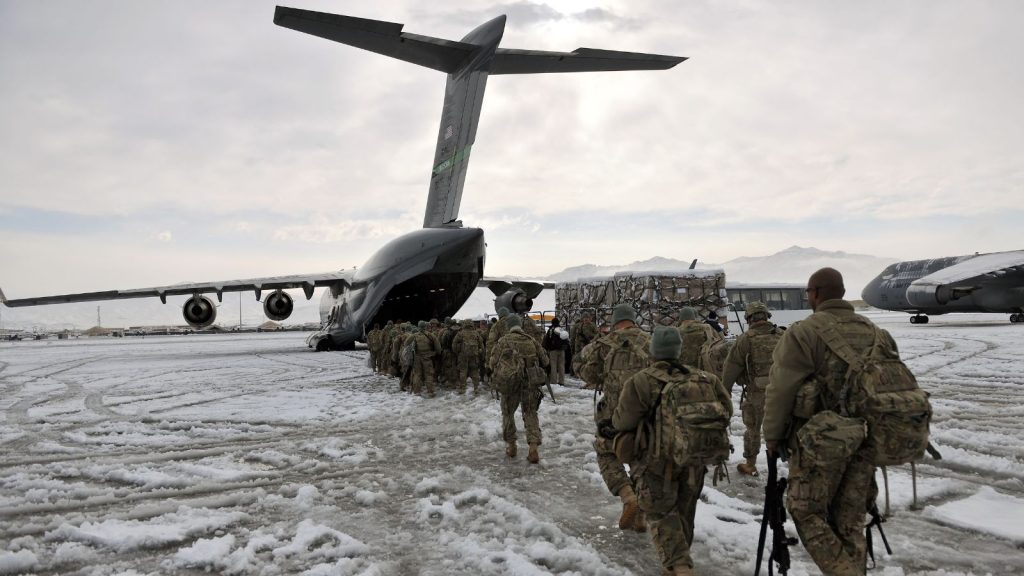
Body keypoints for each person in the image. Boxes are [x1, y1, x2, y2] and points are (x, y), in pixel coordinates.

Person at [765, 267, 896, 575]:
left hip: (819, 444)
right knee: (850, 519)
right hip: (866, 441)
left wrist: (771, 437)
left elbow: (781, 388)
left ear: (816, 293)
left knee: (805, 512)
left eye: (808, 293)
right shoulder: (877, 333)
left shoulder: (804, 332)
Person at [612, 326, 730, 576]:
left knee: (662, 515)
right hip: (694, 461)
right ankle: (674, 566)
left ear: (653, 350)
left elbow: (622, 422)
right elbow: (726, 410)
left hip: (656, 462)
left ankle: (681, 567)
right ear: (678, 349)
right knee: (685, 515)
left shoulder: (641, 381)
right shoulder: (705, 378)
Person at [577, 303, 651, 531]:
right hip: (646, 413)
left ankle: (628, 496)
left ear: (614, 323)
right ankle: (641, 516)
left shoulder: (602, 345)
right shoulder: (650, 342)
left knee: (607, 453)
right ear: (633, 320)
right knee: (641, 460)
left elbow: (589, 374)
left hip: (613, 415)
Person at [720, 301, 785, 477]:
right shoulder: (783, 335)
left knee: (753, 429)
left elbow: (731, 368)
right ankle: (794, 463)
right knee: (788, 427)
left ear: (749, 318)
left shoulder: (746, 339)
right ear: (766, 316)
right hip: (783, 391)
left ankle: (750, 463)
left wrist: (723, 392)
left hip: (757, 392)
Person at [489, 315, 550, 463]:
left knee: (508, 413)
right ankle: (533, 447)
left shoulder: (503, 341)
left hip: (510, 384)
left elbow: (492, 362)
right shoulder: (531, 340)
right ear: (520, 326)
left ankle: (511, 446)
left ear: (509, 326)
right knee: (530, 413)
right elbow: (546, 361)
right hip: (529, 383)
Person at [452, 319, 485, 394]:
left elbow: (454, 344)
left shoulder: (460, 333)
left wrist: (457, 352)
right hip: (474, 355)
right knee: (474, 371)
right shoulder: (476, 333)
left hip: (463, 356)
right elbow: (481, 345)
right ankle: (476, 388)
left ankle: (463, 388)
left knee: (463, 371)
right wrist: (480, 353)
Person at [410, 321, 441, 396]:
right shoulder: (430, 335)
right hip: (427, 357)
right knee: (429, 374)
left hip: (417, 358)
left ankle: (417, 391)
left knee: (417, 374)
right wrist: (436, 353)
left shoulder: (414, 335)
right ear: (425, 327)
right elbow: (438, 347)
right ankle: (430, 391)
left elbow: (406, 343)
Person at [542, 318, 570, 386]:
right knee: (561, 366)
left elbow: (547, 340)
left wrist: (546, 348)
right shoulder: (561, 329)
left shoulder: (551, 330)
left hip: (553, 351)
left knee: (553, 366)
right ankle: (561, 381)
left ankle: (554, 381)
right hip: (562, 350)